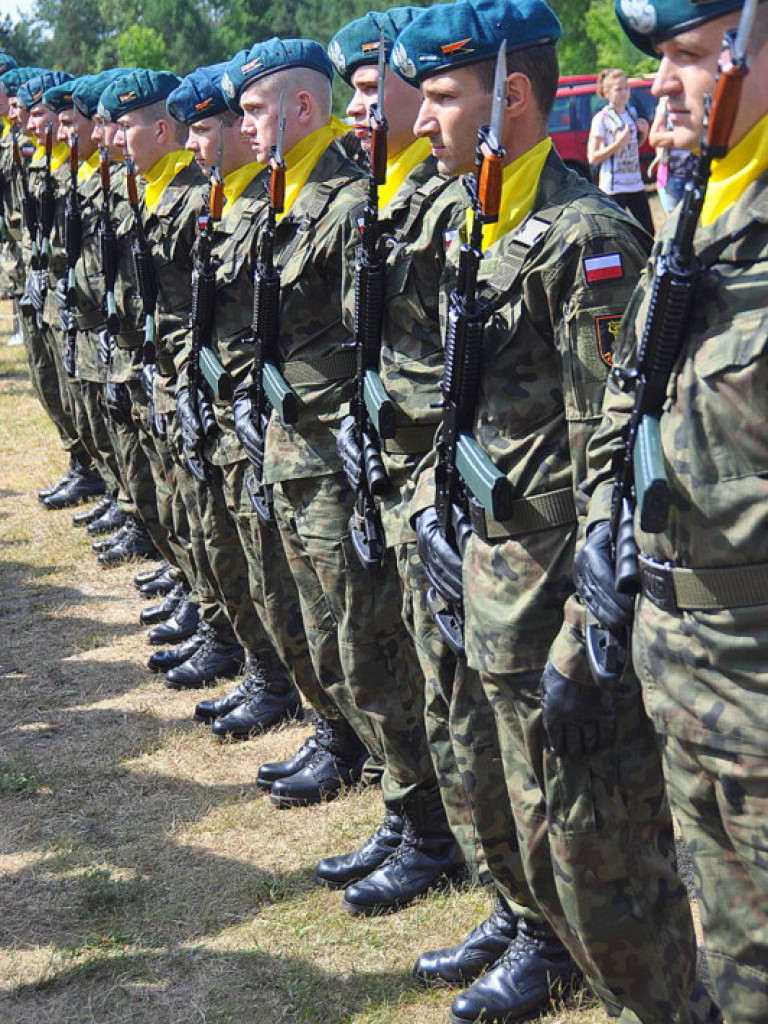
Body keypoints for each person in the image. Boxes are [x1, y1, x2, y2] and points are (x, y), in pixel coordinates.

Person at [395, 1, 721, 1022]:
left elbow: (609, 451)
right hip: (492, 580)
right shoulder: (472, 215)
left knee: (602, 861)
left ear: (516, 98)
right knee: (532, 829)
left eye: (443, 98)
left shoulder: (587, 236)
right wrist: (430, 510)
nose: (419, 122)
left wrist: (591, 626)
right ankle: (548, 941)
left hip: (555, 602)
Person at [573, 2, 768, 1022]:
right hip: (685, 670)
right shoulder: (692, 214)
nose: (662, 81)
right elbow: (630, 402)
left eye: (693, 57)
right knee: (730, 962)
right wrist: (605, 536)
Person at [587, 67, 654, 234]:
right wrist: (617, 143)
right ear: (607, 92)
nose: (624, 93)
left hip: (635, 182)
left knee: (648, 232)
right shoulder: (601, 119)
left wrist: (643, 135)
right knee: (615, 233)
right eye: (618, 89)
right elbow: (592, 157)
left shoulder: (631, 113)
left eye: (626, 88)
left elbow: (631, 148)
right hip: (614, 186)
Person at [649, 94, 697, 213]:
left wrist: (671, 137)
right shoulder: (666, 102)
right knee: (673, 221)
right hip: (672, 173)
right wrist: (688, 136)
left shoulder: (698, 97)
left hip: (697, 172)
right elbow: (655, 138)